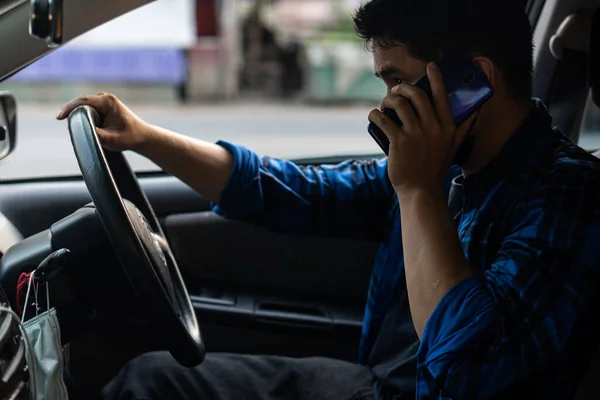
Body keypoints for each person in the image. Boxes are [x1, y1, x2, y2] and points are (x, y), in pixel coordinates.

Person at [56, 0, 600, 398]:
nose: (383, 108)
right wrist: (146, 137)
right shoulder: (450, 168)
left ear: (471, 80)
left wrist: (417, 191)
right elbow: (296, 192)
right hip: (377, 384)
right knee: (151, 380)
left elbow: (467, 371)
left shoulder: (568, 195)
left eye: (397, 82)